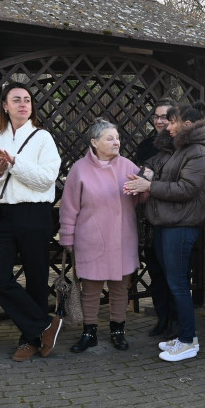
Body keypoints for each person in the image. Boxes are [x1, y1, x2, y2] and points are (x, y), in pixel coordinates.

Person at [0, 82, 62, 362]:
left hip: (35, 214)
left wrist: (14, 163)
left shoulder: (42, 138)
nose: (23, 104)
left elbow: (46, 180)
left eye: (27, 100)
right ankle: (44, 324)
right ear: (5, 105)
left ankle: (30, 340)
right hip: (5, 215)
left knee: (37, 278)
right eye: (16, 99)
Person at [125, 102, 205, 362]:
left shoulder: (199, 151)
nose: (168, 126)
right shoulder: (182, 148)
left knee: (178, 285)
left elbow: (186, 189)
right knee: (173, 281)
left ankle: (188, 341)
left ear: (186, 125)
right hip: (168, 224)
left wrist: (150, 185)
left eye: (173, 121)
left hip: (182, 226)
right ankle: (185, 336)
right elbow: (163, 171)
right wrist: (150, 173)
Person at [59, 120, 144, 353]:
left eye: (117, 137)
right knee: (91, 290)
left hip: (122, 239)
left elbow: (142, 198)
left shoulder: (129, 166)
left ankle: (118, 331)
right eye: (109, 138)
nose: (116, 141)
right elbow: (69, 207)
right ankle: (89, 332)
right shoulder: (79, 170)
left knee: (120, 289)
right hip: (91, 240)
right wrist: (67, 237)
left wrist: (146, 186)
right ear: (94, 142)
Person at [136, 98, 176, 337]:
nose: (160, 121)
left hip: (173, 214)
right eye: (157, 117)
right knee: (155, 269)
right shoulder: (145, 146)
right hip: (150, 215)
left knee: (173, 271)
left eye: (165, 117)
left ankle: (175, 319)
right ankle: (162, 317)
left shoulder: (182, 144)